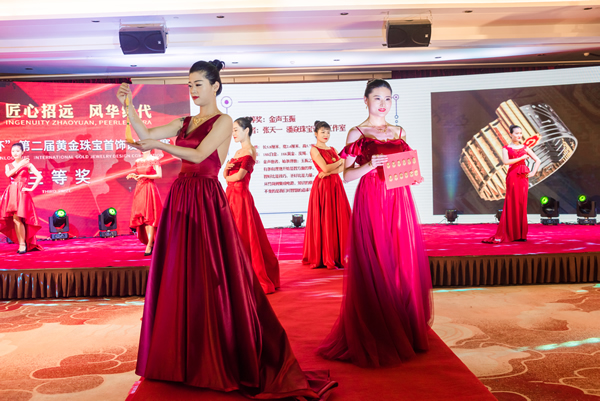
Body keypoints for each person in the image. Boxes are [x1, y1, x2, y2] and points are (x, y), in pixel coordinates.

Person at [117, 60, 336, 400]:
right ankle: (182, 357)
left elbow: (199, 154)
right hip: (180, 197)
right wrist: (128, 107)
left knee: (212, 274)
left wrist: (159, 147)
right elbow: (145, 135)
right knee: (180, 274)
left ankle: (215, 354)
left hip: (205, 198)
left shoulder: (223, 121)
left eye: (199, 84)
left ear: (215, 86)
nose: (193, 90)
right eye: (190, 85)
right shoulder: (185, 122)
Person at [318, 79, 433, 368]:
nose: (383, 104)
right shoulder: (356, 133)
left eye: (388, 98)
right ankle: (378, 328)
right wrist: (370, 165)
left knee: (401, 261)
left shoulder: (399, 132)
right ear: (366, 100)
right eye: (377, 98)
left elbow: (404, 167)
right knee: (377, 260)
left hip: (399, 200)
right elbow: (347, 176)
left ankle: (404, 326)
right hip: (371, 199)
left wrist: (413, 176)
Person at [224, 117, 280, 294]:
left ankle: (248, 274)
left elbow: (238, 176)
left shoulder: (250, 151)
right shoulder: (238, 152)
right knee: (232, 234)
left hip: (241, 197)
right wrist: (227, 173)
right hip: (230, 196)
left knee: (244, 235)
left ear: (246, 130)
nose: (233, 133)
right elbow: (225, 173)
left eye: (235, 130)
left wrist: (227, 176)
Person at [302, 120, 350, 270]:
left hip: (336, 185)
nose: (326, 135)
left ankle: (338, 255)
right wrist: (339, 161)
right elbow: (325, 168)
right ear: (315, 134)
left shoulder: (333, 149)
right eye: (323, 132)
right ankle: (325, 255)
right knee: (326, 218)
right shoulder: (314, 149)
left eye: (328, 132)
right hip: (323, 187)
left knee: (338, 218)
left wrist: (332, 169)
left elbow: (342, 168)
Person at [483, 125, 541, 243]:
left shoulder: (525, 147)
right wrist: (521, 158)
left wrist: (533, 172)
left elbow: (538, 160)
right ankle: (510, 233)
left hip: (522, 177)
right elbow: (506, 162)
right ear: (511, 134)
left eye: (520, 133)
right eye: (516, 133)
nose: (519, 135)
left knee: (521, 203)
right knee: (511, 203)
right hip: (513, 176)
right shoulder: (506, 148)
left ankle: (521, 234)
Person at [0, 143, 43, 254]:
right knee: (15, 219)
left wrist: (31, 188)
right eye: (13, 151)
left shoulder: (28, 165)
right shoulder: (8, 165)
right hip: (12, 193)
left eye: (17, 151)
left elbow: (39, 176)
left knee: (20, 218)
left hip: (22, 193)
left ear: (22, 152)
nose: (15, 153)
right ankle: (21, 243)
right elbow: (9, 174)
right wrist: (20, 165)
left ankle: (23, 244)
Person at [126, 150, 163, 256]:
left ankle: (150, 244)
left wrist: (144, 175)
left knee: (149, 216)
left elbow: (159, 175)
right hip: (140, 188)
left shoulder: (154, 159)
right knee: (143, 216)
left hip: (149, 188)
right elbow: (140, 177)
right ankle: (150, 242)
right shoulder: (138, 161)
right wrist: (135, 176)